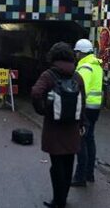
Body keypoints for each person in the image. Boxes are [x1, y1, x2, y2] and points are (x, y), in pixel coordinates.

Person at [31, 42, 87, 208]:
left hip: (54, 129)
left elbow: (36, 93)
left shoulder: (49, 75)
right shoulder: (77, 77)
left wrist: (43, 110)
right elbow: (83, 101)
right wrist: (82, 122)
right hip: (72, 128)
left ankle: (58, 201)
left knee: (57, 166)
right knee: (69, 164)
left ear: (53, 57)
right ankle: (64, 197)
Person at [71, 39, 103, 187]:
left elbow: (79, 89)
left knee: (81, 142)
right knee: (90, 139)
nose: (75, 54)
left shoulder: (85, 67)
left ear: (81, 52)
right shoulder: (96, 65)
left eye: (77, 52)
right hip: (95, 107)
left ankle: (80, 176)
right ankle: (89, 173)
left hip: (85, 108)